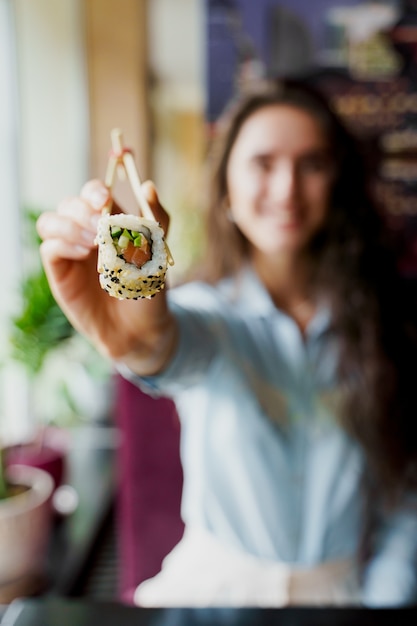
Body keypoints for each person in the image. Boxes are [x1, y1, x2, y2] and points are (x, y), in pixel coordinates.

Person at [37, 79, 417, 607]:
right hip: (210, 597)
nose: (286, 188)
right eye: (263, 163)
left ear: (339, 182)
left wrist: (387, 602)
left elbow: (406, 494)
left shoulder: (390, 326)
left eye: (311, 164)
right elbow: (168, 347)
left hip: (345, 600)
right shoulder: (210, 316)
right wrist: (135, 342)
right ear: (226, 187)